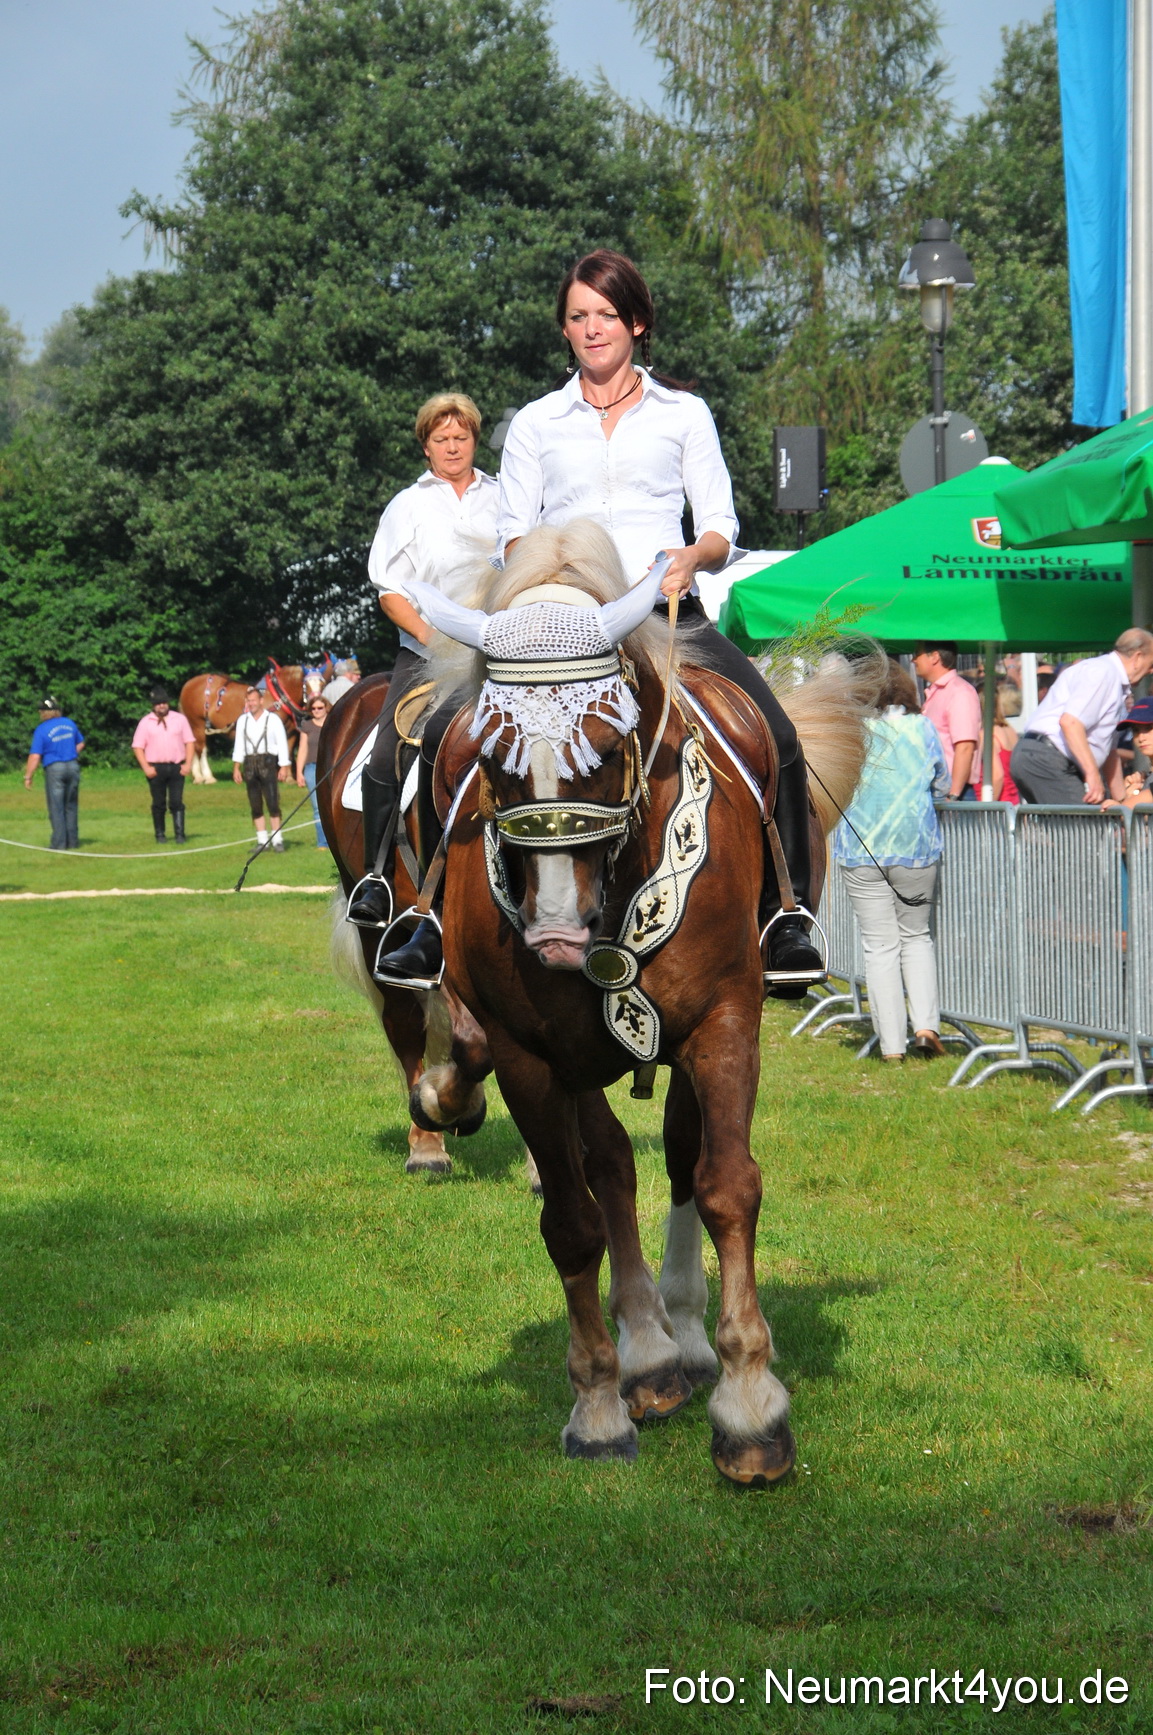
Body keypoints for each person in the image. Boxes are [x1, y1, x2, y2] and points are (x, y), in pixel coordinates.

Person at [482, 247, 822, 996]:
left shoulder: (684, 413)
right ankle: (428, 911)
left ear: (635, 322)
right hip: (567, 627)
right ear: (564, 331)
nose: (591, 328)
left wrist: (691, 555)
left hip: (671, 612)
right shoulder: (536, 422)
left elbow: (721, 524)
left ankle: (787, 912)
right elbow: (511, 533)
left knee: (775, 731)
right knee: (453, 732)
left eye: (605, 314)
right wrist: (552, 577)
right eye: (578, 317)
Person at [347, 392, 500, 960]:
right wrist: (435, 641)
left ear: (473, 440)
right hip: (428, 649)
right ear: (426, 443)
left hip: (494, 647)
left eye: (461, 437)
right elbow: (390, 589)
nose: (452, 446)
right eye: (441, 438)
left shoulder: (505, 496)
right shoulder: (406, 506)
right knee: (387, 751)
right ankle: (376, 877)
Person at [833, 659, 950, 1062]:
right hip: (915, 845)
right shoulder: (922, 728)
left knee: (879, 947)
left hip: (861, 847)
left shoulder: (853, 731)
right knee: (916, 937)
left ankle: (891, 1047)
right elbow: (943, 781)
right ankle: (926, 1027)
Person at [1009, 628, 1153, 805]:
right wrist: (1092, 775)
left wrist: (1122, 803)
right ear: (1138, 657)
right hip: (1048, 758)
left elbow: (1110, 753)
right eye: (1151, 663)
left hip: (1040, 756)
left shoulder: (1110, 678)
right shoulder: (1104, 673)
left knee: (1072, 829)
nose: (1151, 670)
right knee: (1084, 829)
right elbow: (1070, 723)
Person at [912, 642, 981, 801]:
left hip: (953, 794)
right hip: (939, 791)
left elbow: (965, 746)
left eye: (917, 654)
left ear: (935, 657)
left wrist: (953, 795)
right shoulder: (938, 692)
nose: (913, 660)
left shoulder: (959, 692)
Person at [131, 686, 195, 842]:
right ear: (153, 705)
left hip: (176, 767)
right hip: (156, 767)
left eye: (164, 702)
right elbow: (137, 746)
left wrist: (188, 764)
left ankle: (180, 834)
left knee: (176, 802)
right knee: (159, 803)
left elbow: (190, 742)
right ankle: (160, 834)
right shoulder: (146, 722)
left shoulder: (179, 719)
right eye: (158, 703)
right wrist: (146, 767)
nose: (162, 706)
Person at [232, 686, 291, 848]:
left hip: (268, 762)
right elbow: (239, 746)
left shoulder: (273, 719)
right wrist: (237, 767)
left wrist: (284, 766)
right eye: (248, 701)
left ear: (261, 701)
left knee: (272, 801)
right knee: (255, 803)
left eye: (252, 700)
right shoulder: (242, 720)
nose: (250, 704)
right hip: (250, 764)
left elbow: (282, 744)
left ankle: (277, 839)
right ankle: (262, 840)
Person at [24, 696, 84, 850]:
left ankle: (59, 843)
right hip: (72, 766)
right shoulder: (69, 723)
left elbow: (35, 755)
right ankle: (73, 841)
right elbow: (80, 743)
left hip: (55, 768)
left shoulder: (42, 729)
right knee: (70, 805)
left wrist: (28, 776)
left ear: (43, 713)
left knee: (56, 807)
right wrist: (71, 753)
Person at [971, 681, 1020, 803]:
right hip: (1014, 802)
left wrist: (987, 806)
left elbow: (997, 776)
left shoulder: (986, 735)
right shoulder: (1010, 731)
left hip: (998, 808)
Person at [1104, 697, 1153, 808]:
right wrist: (1129, 796)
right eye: (1136, 730)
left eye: (1149, 728)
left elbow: (1132, 811)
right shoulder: (1145, 779)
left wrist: (1122, 808)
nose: (1141, 737)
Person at [296, 694, 331, 847]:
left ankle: (335, 841)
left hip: (330, 767)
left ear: (326, 708)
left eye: (320, 708)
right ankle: (322, 842)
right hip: (311, 768)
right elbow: (302, 749)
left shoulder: (332, 723)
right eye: (313, 708)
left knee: (332, 804)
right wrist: (298, 772)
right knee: (318, 807)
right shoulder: (307, 726)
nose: (316, 711)